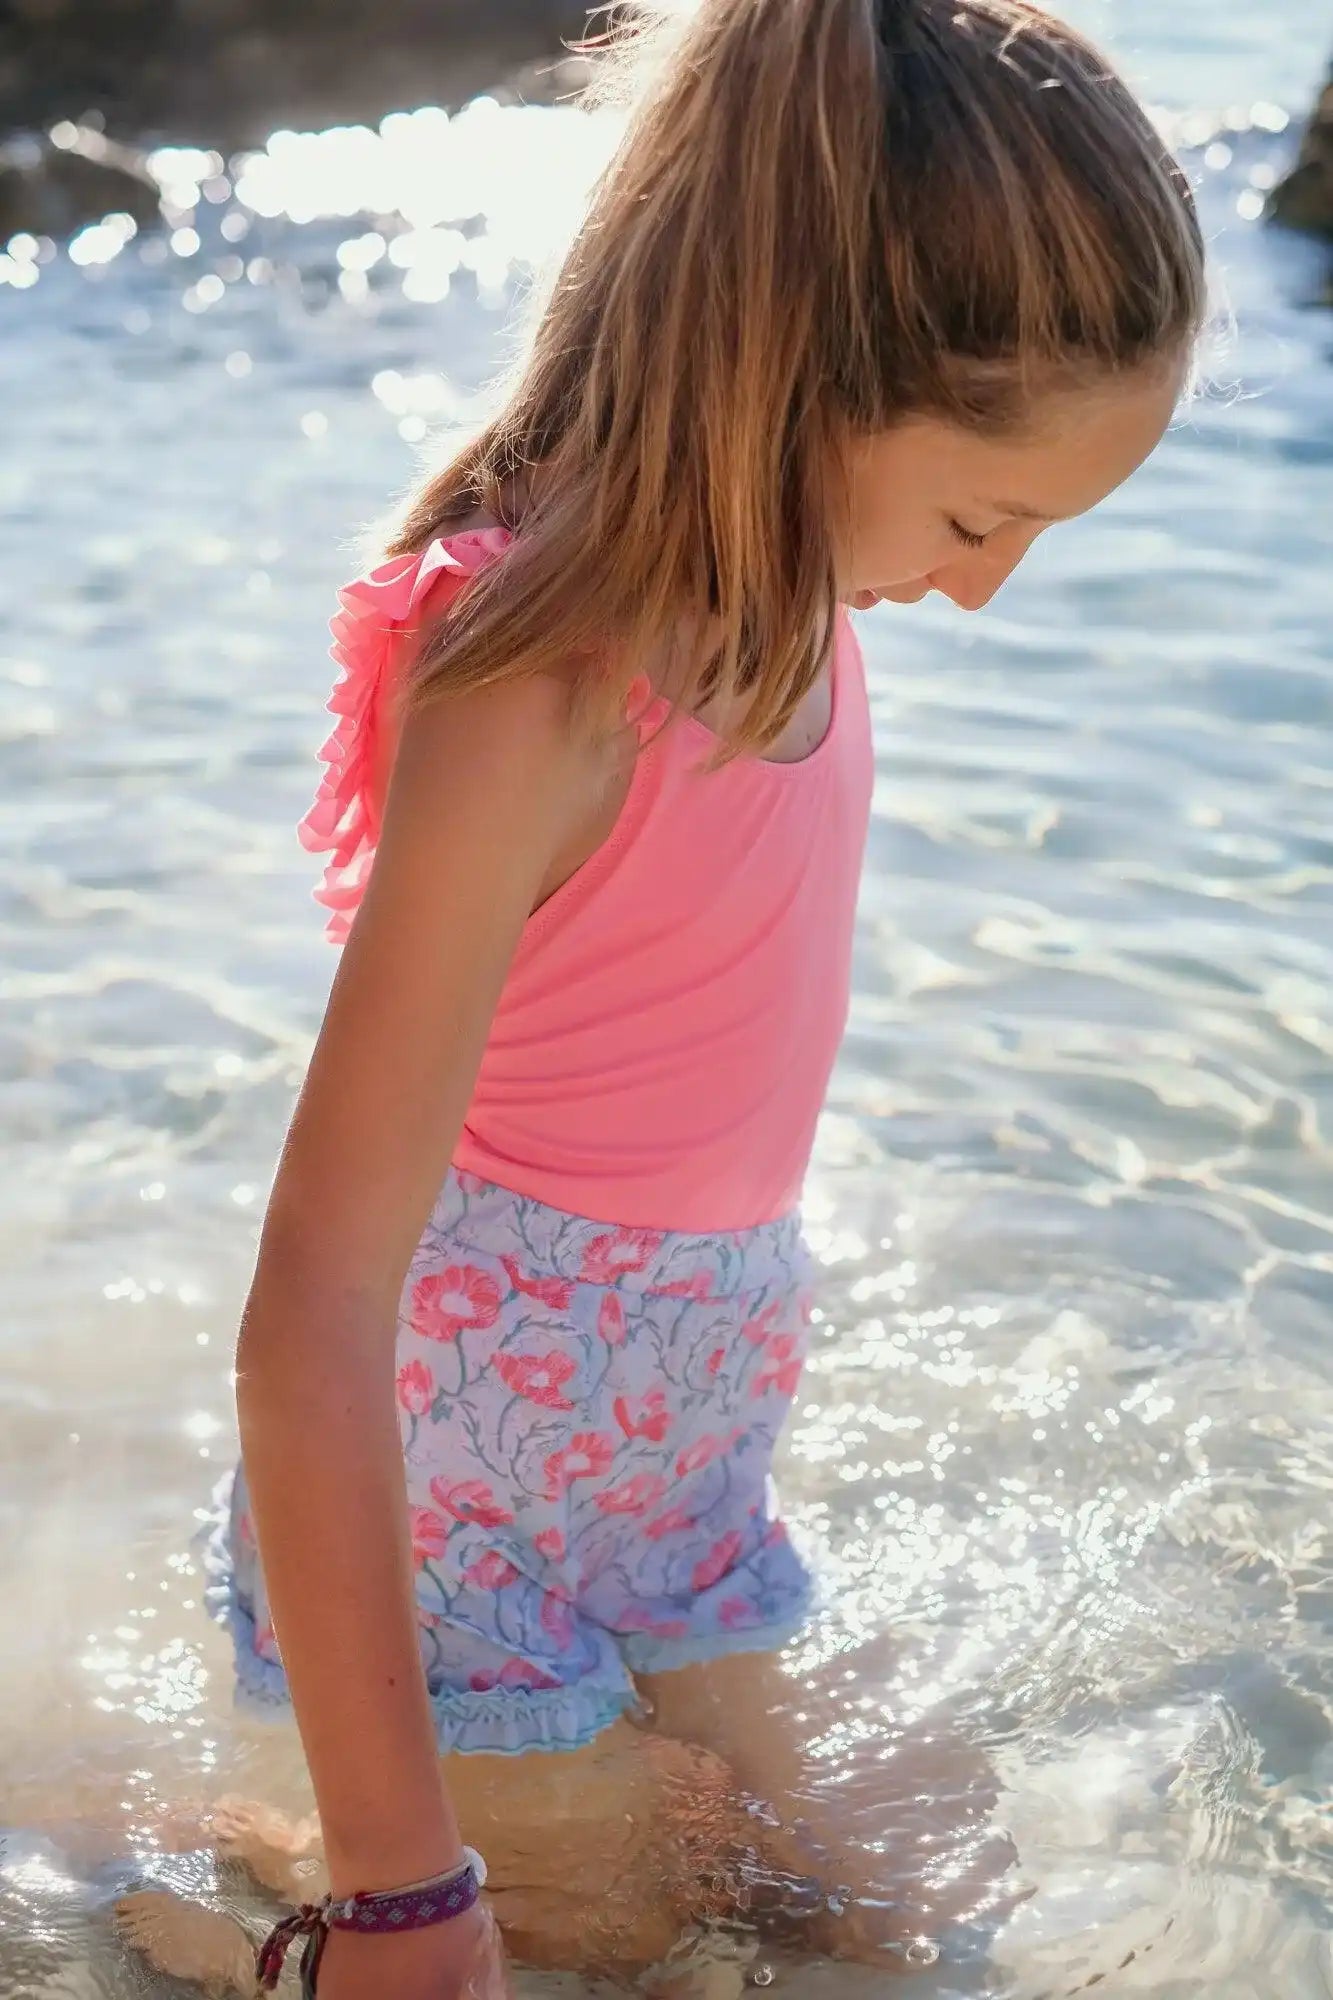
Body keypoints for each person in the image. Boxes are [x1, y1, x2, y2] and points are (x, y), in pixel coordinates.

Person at [133, 1, 1207, 1993]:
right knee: (610, 1937)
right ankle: (220, 1900)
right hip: (466, 1509)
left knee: (889, 1932)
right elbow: (309, 1320)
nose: (982, 594)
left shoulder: (791, 595)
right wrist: (398, 1885)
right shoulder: (533, 692)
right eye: (982, 520)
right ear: (796, 371)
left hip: (674, 1482)